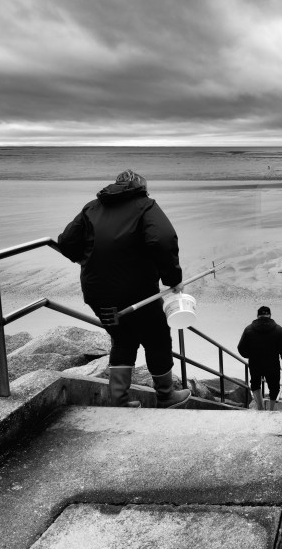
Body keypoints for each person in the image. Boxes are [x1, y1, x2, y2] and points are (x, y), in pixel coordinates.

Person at [57, 169, 190, 409]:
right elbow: (163, 240)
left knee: (122, 338)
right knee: (157, 338)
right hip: (137, 291)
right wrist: (172, 279)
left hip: (97, 292)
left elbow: (66, 242)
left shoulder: (92, 207)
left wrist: (84, 258)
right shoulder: (145, 206)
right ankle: (166, 396)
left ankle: (119, 400)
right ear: (141, 187)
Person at [237, 306, 282, 411]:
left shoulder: (249, 329)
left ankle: (260, 407)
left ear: (258, 316)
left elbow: (241, 348)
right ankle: (272, 410)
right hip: (272, 364)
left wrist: (250, 355)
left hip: (255, 363)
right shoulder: (278, 330)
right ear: (270, 315)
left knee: (255, 383)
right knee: (274, 387)